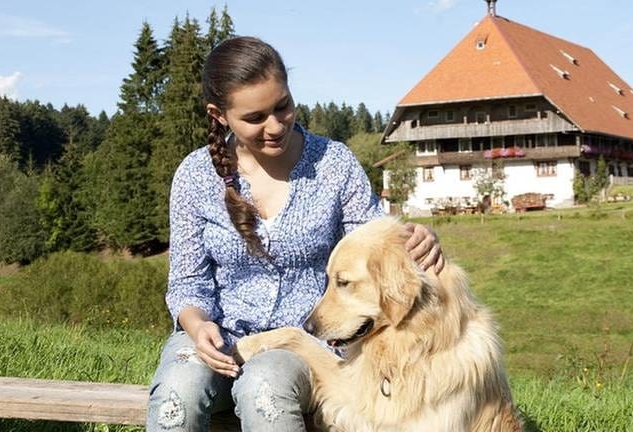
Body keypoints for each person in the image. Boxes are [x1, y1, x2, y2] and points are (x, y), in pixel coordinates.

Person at [146, 36, 443, 432]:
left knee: (265, 389)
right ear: (219, 115)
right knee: (178, 391)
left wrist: (420, 241)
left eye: (282, 107)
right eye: (255, 118)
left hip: (300, 344)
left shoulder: (334, 164)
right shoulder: (194, 177)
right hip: (216, 339)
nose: (275, 126)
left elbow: (376, 243)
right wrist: (198, 327)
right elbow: (187, 284)